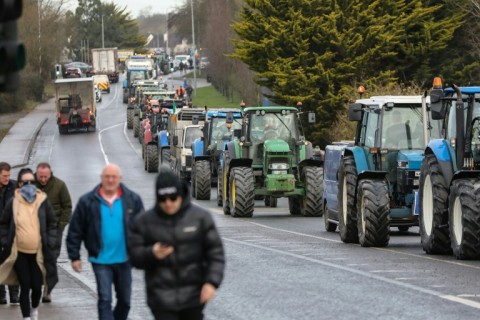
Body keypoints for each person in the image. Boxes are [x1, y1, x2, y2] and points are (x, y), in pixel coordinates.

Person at [129, 167, 225, 320]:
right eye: (162, 199)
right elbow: (134, 256)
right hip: (161, 300)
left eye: (173, 198)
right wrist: (151, 253)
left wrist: (211, 283)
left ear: (180, 195)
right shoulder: (144, 222)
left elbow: (216, 254)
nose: (168, 203)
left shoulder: (200, 218)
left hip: (193, 297)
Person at [66, 163, 144, 320]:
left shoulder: (132, 200)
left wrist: (144, 253)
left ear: (120, 179)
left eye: (114, 177)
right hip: (100, 259)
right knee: (105, 299)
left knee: (125, 301)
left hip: (124, 259)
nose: (110, 180)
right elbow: (75, 230)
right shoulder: (87, 201)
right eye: (107, 177)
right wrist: (74, 257)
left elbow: (143, 228)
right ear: (101, 178)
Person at [0, 168, 58, 320]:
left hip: (38, 252)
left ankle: (34, 310)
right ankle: (26, 317)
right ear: (19, 184)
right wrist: (5, 241)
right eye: (25, 182)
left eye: (32, 182)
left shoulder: (42, 201)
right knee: (25, 284)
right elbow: (4, 223)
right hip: (19, 251)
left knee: (37, 286)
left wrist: (50, 241)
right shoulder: (14, 202)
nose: (29, 184)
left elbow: (52, 223)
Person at [35, 162, 72, 303]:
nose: (43, 179)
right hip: (33, 230)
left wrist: (61, 226)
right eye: (40, 177)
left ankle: (47, 291)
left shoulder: (60, 186)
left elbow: (67, 207)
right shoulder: (29, 185)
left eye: (45, 176)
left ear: (50, 174)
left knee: (50, 261)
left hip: (53, 231)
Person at [0, 162, 19, 305]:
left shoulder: (15, 187)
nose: (8, 178)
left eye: (9, 175)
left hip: (12, 232)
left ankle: (14, 295)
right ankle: (1, 296)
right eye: (5, 175)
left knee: (13, 263)